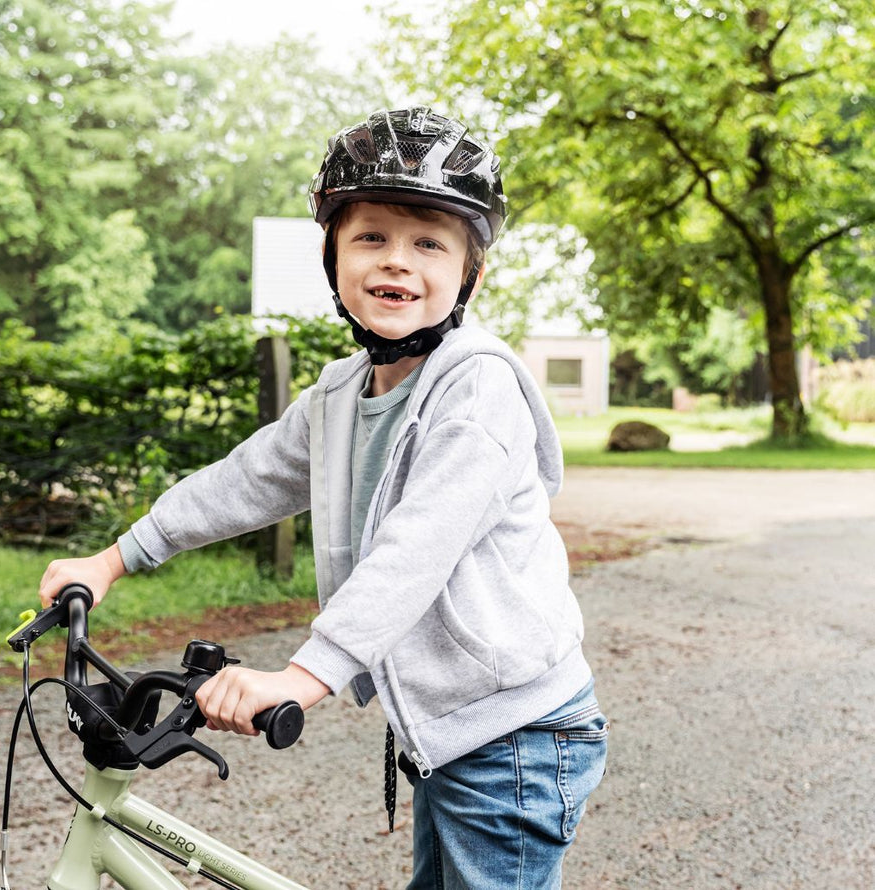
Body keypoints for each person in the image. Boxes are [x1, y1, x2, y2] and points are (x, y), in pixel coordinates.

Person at [39, 106, 608, 889]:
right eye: (371, 236)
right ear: (333, 255)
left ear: (470, 272)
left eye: (429, 243)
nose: (396, 262)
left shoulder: (478, 394)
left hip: (516, 737)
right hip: (454, 734)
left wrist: (304, 675)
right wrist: (115, 557)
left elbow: (416, 553)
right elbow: (248, 479)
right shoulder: (342, 393)